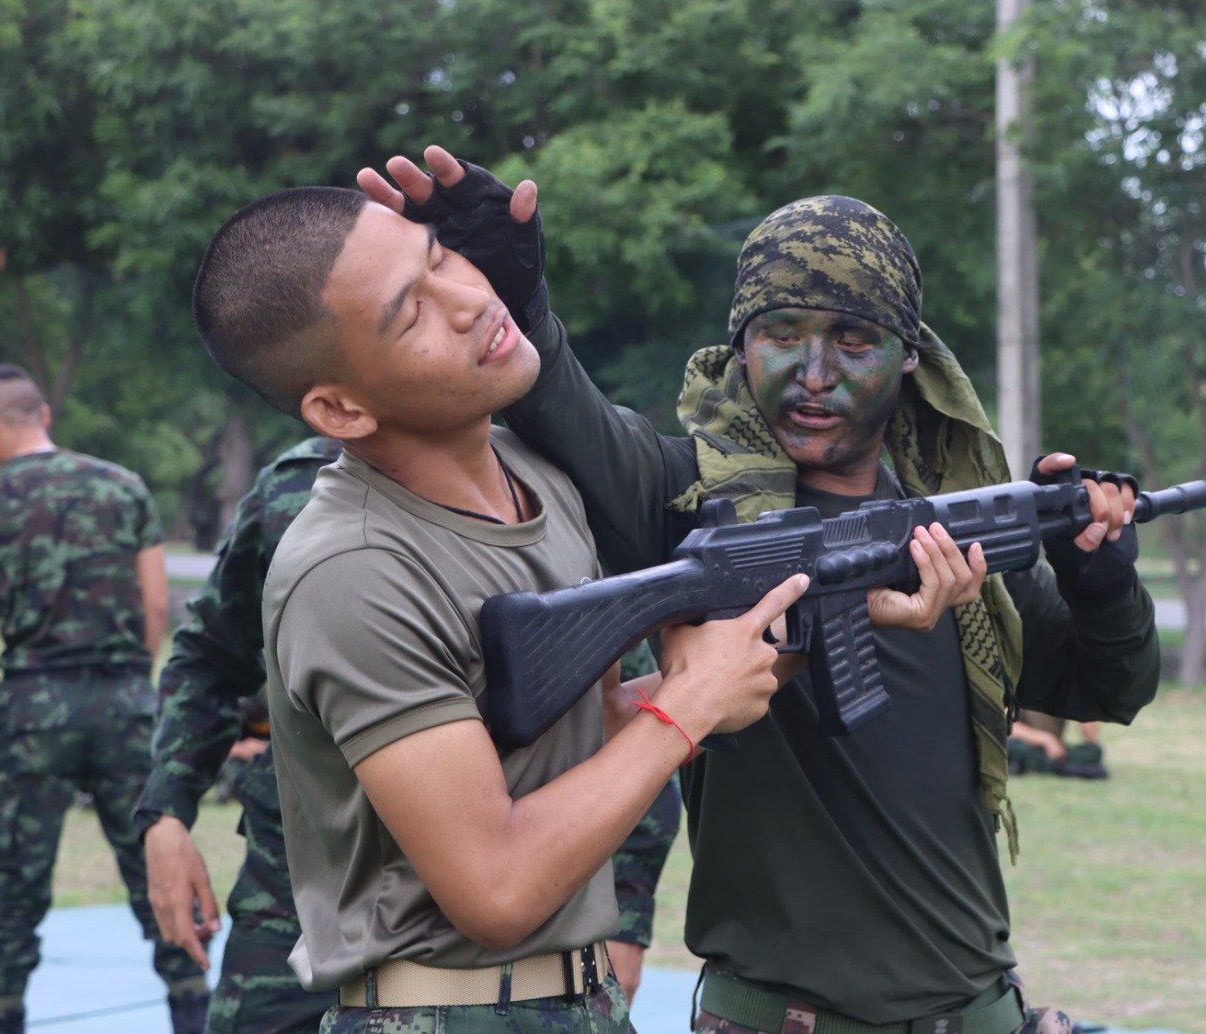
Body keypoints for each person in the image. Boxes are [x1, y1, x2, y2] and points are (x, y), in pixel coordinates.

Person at [360, 148, 1161, 1033]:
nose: (813, 373)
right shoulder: (688, 502)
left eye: (853, 341)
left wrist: (1100, 579)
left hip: (977, 1013)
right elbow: (564, 410)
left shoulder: (947, 541)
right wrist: (521, 301)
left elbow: (1109, 687)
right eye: (782, 334)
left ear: (908, 360)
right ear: (740, 348)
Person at [189, 185, 821, 1033]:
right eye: (409, 314)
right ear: (341, 408)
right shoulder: (354, 570)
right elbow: (496, 888)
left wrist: (796, 624)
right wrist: (685, 707)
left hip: (577, 1002)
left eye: (440, 257)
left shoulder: (537, 476)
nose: (469, 299)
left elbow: (583, 738)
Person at [137, 436, 681, 1033]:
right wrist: (166, 813)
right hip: (296, 899)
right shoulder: (290, 493)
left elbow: (604, 721)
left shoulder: (527, 489)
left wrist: (626, 917)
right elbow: (211, 656)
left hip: (494, 936)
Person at [0, 364, 208, 1034]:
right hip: (126, 705)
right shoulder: (124, 486)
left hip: (32, 713)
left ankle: (2, 1017)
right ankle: (192, 1008)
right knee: (155, 873)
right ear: (42, 413)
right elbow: (156, 603)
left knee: (15, 891)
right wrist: (131, 677)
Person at [1008, 710, 1108, 780]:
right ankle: (1065, 769)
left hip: (1055, 752)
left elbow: (1091, 738)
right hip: (1025, 744)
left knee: (1095, 751)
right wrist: (1046, 739)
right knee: (1011, 747)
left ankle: (1033, 766)